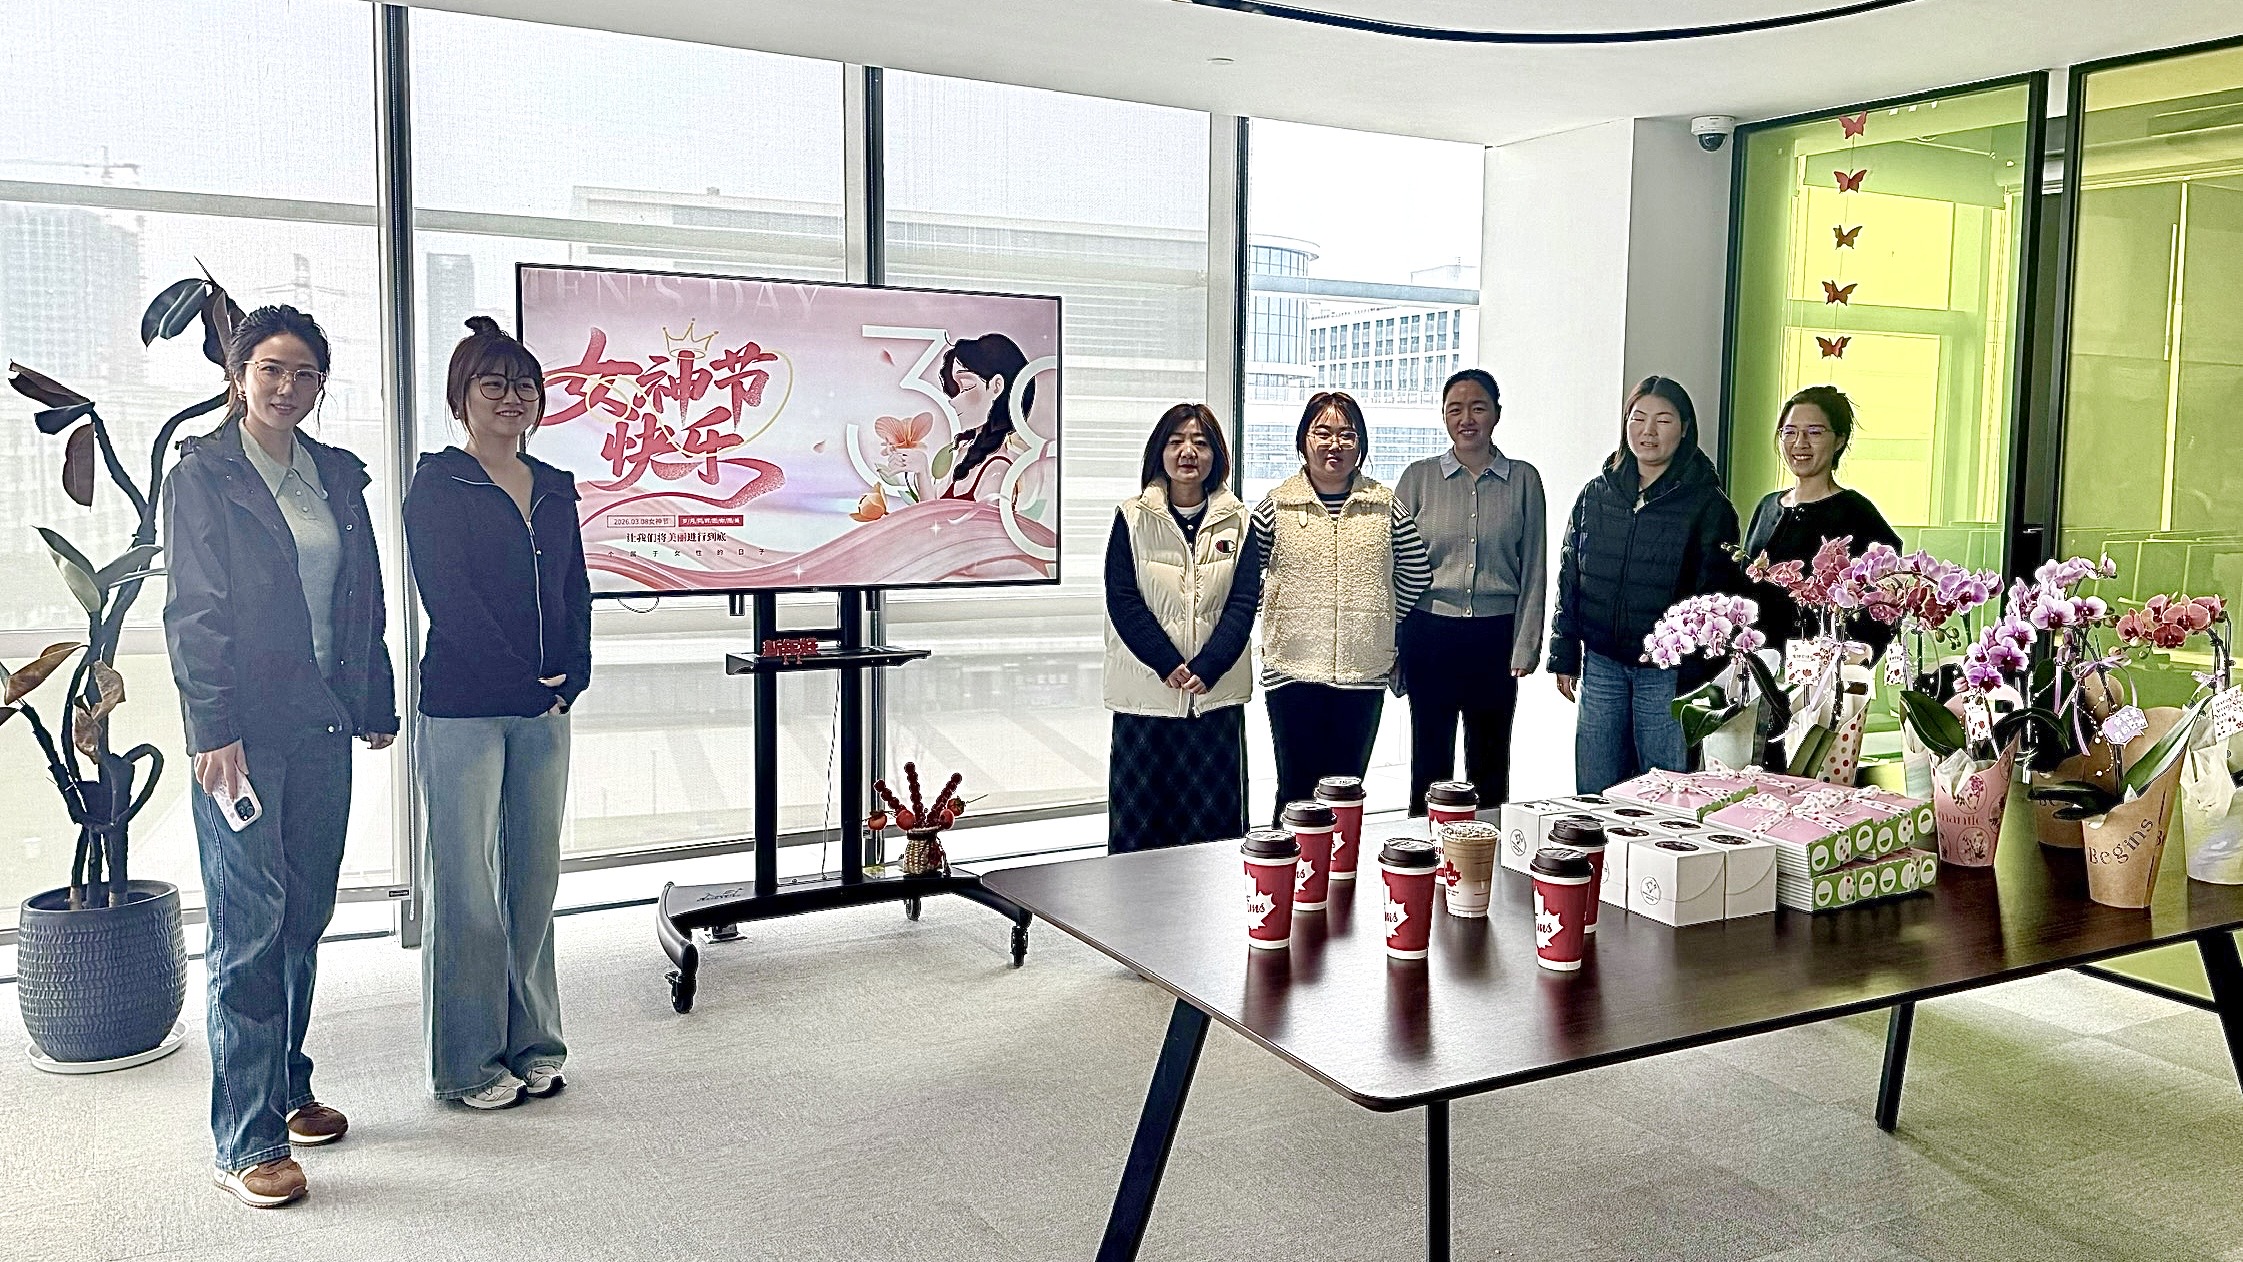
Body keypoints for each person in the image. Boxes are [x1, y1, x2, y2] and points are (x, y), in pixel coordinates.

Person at [163, 305, 398, 1209]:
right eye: (271, 369)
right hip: (244, 734)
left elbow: (362, 595)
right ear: (238, 375)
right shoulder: (204, 474)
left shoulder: (334, 474)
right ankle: (245, 1138)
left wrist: (373, 699)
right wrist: (211, 727)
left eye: (304, 374)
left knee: (304, 915)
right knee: (247, 928)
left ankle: (288, 1088)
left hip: (322, 723)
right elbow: (194, 611)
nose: (287, 387)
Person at [404, 316, 592, 1113]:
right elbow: (451, 602)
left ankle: (536, 1044)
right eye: (493, 384)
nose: (511, 398)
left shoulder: (553, 485)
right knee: (467, 890)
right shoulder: (438, 485)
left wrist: (575, 673)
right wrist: (523, 681)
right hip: (466, 708)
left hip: (546, 706)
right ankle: (466, 1064)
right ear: (461, 398)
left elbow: (575, 588)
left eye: (524, 386)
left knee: (533, 882)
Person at [1548, 376, 1740, 794]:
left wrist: (1695, 674)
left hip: (1667, 675)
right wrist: (1564, 652)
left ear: (1685, 428)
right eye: (1638, 418)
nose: (1648, 431)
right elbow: (1571, 575)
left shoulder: (1708, 505)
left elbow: (1716, 598)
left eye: (1663, 420)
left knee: (1665, 792)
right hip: (1602, 663)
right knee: (1595, 791)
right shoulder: (1596, 494)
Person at [1251, 391, 1431, 821]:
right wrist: (1277, 613)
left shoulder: (1385, 507)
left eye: (1347, 435)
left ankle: (1341, 866)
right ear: (1304, 440)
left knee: (1345, 792)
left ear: (1360, 444)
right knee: (1295, 790)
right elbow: (1245, 578)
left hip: (1362, 671)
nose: (1335, 444)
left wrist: (1382, 616)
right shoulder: (1276, 506)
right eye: (1323, 433)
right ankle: (1287, 866)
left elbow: (1416, 571)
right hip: (1291, 671)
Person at [1102, 403, 1262, 852]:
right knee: (1140, 827)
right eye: (1176, 442)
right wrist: (1166, 662)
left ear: (1216, 456)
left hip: (1213, 697)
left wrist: (1209, 666)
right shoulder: (1132, 517)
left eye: (1200, 443)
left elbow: (1243, 602)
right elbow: (1122, 599)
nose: (1188, 452)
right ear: (1160, 452)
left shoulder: (1239, 521)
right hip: (1146, 697)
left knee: (1213, 833)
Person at [1393, 369, 1546, 816]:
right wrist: (1393, 644)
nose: (1466, 419)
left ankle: (1487, 851)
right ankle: (1425, 851)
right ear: (1443, 417)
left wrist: (1526, 644)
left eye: (1478, 408)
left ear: (1496, 413)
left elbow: (1534, 567)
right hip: (1429, 633)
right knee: (1429, 761)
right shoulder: (1419, 478)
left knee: (1490, 762)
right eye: (1454, 410)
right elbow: (1393, 568)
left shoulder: (1523, 480)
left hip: (1494, 638)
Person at [1741, 384, 1903, 659]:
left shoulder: (1856, 513)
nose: (1799, 443)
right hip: (1757, 668)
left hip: (1817, 673)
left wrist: (1854, 660)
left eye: (1814, 432)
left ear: (1839, 440)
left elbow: (1884, 607)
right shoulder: (1767, 507)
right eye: (1789, 432)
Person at [931, 333, 1037, 503]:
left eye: (966, 387)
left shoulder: (998, 469)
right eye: (954, 391)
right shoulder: (963, 449)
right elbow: (931, 511)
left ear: (996, 386)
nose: (953, 401)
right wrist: (920, 469)